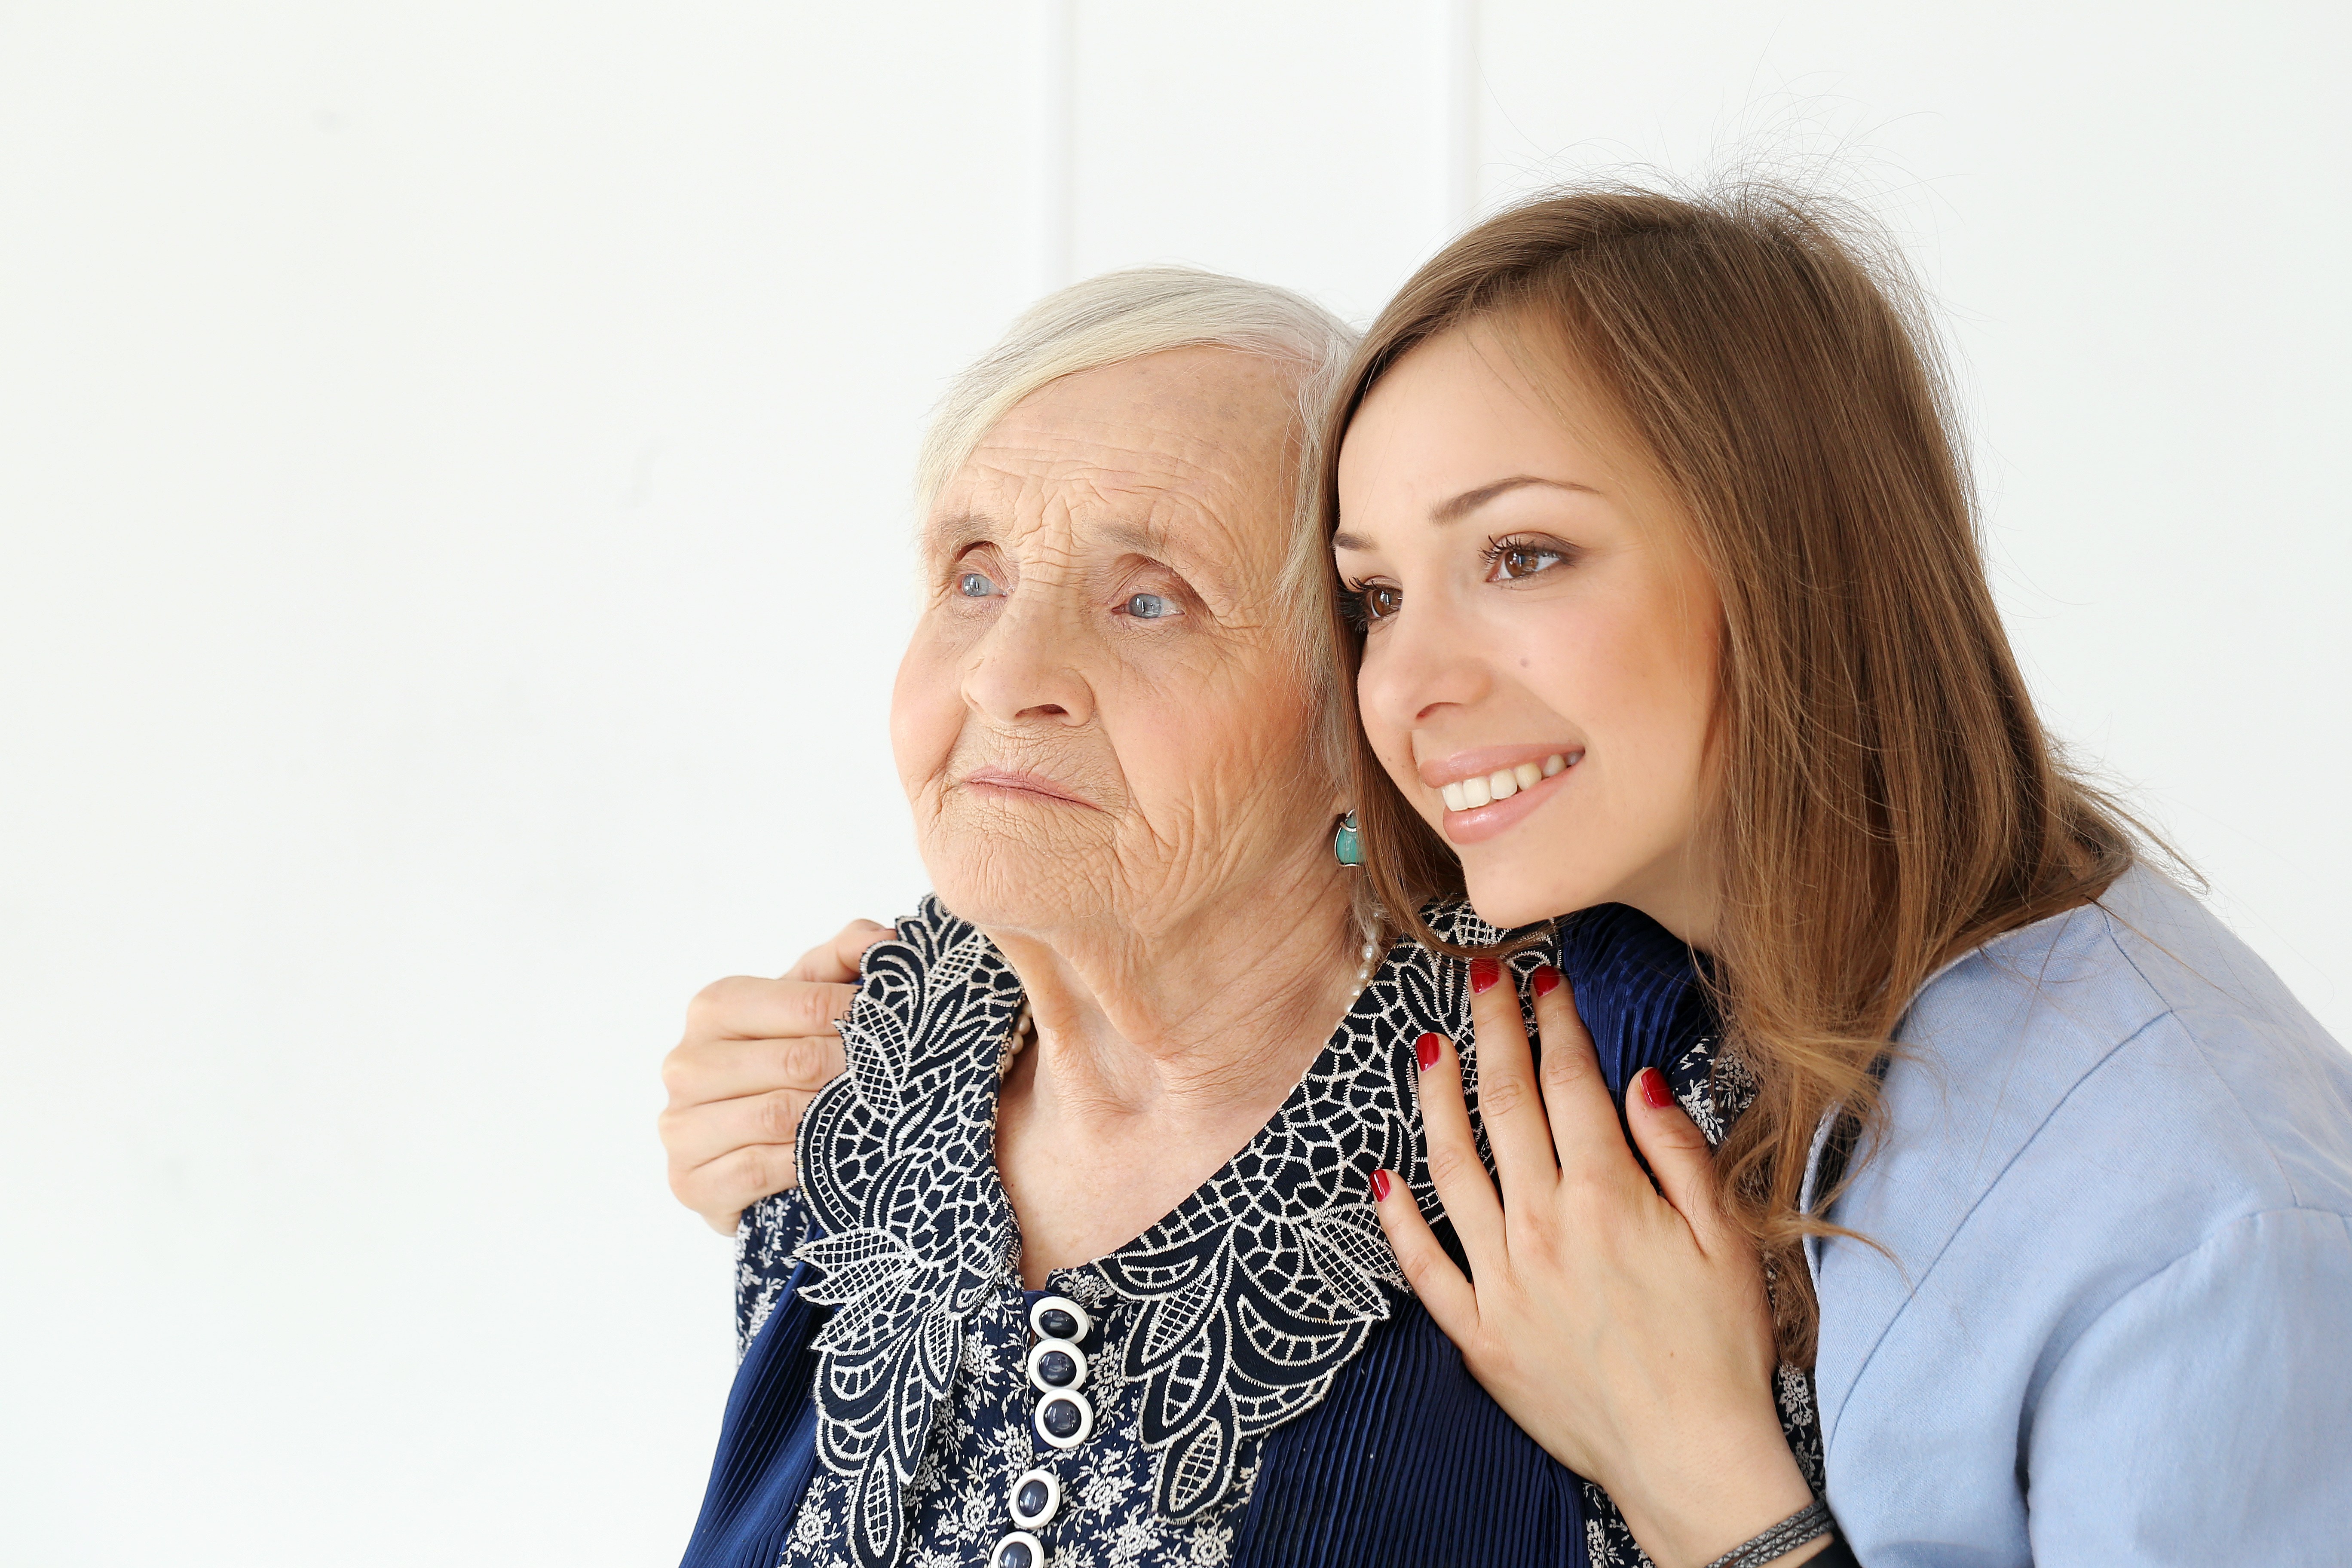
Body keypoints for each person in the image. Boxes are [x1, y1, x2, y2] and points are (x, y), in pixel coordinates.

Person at [667, 269, 1834, 1568]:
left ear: (1354, 717)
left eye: (1150, 599)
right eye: (974, 577)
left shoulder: (1628, 1093)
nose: (1005, 676)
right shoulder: (859, 1059)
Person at [1330, 185, 2352, 1562]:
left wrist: (1692, 1471)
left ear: (1789, 561)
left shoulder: (2198, 1222)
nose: (1407, 687)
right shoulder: (1719, 994)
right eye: (1378, 596)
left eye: (1524, 557)